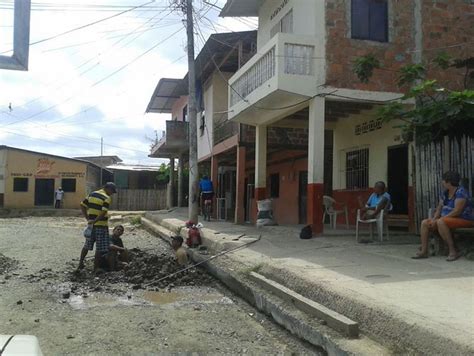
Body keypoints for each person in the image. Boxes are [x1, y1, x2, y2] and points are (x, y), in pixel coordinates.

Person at [413, 171, 474, 261]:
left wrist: (442, 218)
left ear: (448, 182)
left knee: (441, 222)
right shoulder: (445, 193)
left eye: (443, 181)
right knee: (425, 223)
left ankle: (452, 251)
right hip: (447, 219)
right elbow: (439, 208)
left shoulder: (461, 192)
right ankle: (424, 250)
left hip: (464, 219)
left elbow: (457, 211)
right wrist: (434, 219)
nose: (442, 182)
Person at [77, 182, 117, 271]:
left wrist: (88, 219)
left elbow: (82, 205)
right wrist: (96, 221)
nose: (112, 193)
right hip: (101, 226)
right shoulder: (107, 198)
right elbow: (103, 212)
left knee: (87, 245)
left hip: (91, 226)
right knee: (99, 247)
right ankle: (95, 268)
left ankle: (80, 264)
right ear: (108, 189)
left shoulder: (92, 194)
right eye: (112, 191)